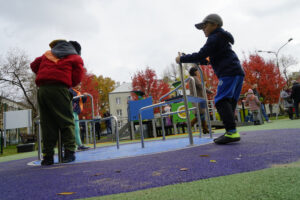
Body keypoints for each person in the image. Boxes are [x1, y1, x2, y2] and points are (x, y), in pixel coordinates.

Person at [176, 13, 245, 144]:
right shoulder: (221, 38)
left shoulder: (214, 38)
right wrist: (196, 60)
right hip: (237, 72)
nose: (203, 29)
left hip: (228, 72)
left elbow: (202, 54)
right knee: (229, 102)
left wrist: (181, 59)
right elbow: (208, 59)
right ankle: (231, 130)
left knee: (220, 100)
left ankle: (231, 132)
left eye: (205, 26)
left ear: (215, 24)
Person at [31, 39, 84, 165]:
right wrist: (67, 81)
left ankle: (48, 157)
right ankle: (69, 152)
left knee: (47, 124)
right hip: (59, 89)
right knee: (66, 121)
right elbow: (77, 77)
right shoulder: (75, 57)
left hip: (43, 90)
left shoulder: (47, 54)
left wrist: (46, 73)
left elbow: (33, 65)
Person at [189, 66, 209, 134]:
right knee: (201, 114)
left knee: (202, 113)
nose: (198, 72)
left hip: (197, 98)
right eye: (197, 71)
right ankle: (190, 124)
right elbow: (200, 86)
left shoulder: (191, 79)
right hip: (198, 98)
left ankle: (205, 129)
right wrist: (208, 91)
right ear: (194, 72)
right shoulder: (194, 78)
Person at [69, 86, 90, 150]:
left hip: (75, 112)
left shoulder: (76, 91)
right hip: (71, 112)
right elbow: (75, 99)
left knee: (76, 129)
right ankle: (71, 146)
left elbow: (81, 101)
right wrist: (83, 96)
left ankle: (78, 145)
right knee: (72, 129)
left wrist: (84, 97)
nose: (79, 85)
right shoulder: (70, 90)